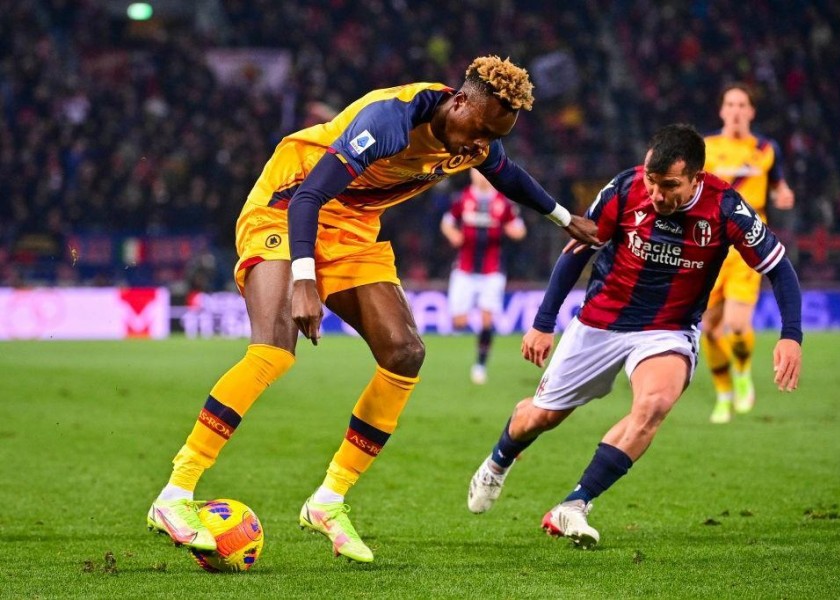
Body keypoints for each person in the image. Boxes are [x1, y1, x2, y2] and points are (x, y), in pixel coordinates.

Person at [145, 55, 599, 563]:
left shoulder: (474, 139)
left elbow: (508, 175)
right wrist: (303, 280)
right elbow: (309, 198)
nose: (482, 146)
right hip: (288, 203)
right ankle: (175, 495)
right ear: (460, 101)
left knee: (405, 352)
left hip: (355, 229)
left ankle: (328, 500)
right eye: (481, 130)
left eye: (495, 136)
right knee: (274, 349)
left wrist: (563, 218)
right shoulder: (391, 121)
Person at [466, 124, 802, 548]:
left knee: (654, 404)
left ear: (697, 177)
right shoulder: (624, 189)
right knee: (541, 417)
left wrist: (791, 334)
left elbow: (778, 268)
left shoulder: (726, 208)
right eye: (651, 181)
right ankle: (498, 461)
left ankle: (574, 504)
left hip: (668, 330)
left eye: (670, 185)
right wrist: (544, 320)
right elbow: (578, 249)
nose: (657, 194)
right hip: (599, 324)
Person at [701, 83, 795, 424]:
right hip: (710, 244)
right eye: (730, 104)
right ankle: (724, 394)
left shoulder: (766, 149)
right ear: (722, 110)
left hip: (747, 242)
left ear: (751, 111)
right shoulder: (707, 148)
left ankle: (742, 377)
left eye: (743, 104)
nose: (737, 110)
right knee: (709, 328)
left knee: (737, 325)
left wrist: (784, 194)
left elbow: (778, 184)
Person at [441, 169, 527, 384]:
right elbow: (447, 222)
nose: (480, 176)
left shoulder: (502, 202)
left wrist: (510, 229)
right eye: (476, 172)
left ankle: (480, 365)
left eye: (483, 172)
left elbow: (520, 230)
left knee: (487, 319)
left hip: (492, 271)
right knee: (459, 321)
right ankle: (470, 336)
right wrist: (453, 234)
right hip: (464, 269)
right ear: (471, 174)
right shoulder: (462, 199)